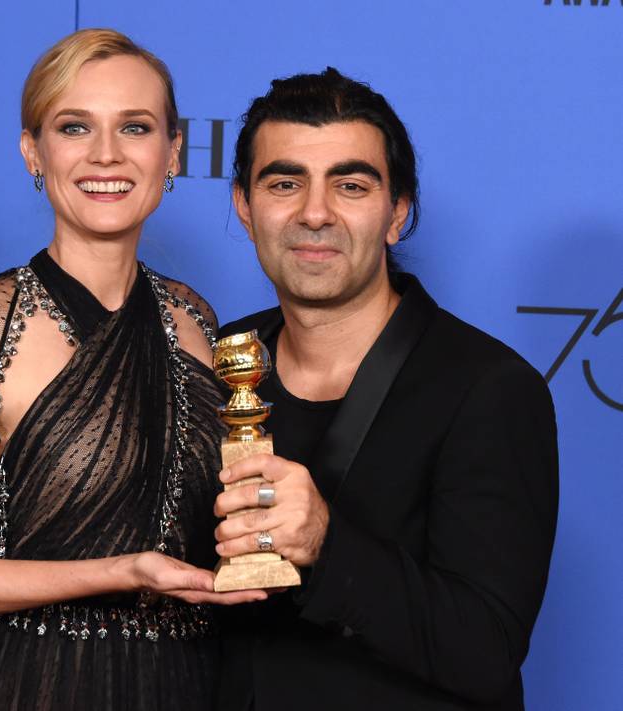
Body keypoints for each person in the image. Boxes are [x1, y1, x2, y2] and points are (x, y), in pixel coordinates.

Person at [0, 29, 265, 711]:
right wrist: (122, 570)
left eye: (134, 127)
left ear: (172, 151)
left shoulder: (196, 318)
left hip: (183, 683)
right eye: (74, 126)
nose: (106, 154)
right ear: (33, 152)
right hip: (25, 685)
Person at [214, 68, 558, 710]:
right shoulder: (217, 362)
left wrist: (326, 541)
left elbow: (486, 649)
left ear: (397, 212)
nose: (314, 213)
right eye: (284, 183)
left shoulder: (488, 387)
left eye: (350, 185)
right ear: (244, 207)